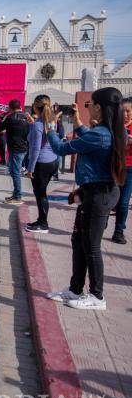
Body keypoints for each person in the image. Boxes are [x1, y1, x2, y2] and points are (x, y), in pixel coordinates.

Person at [45, 88, 126, 310]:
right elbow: (87, 139)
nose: (87, 108)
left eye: (89, 105)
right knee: (79, 241)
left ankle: (97, 297)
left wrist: (51, 126)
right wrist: (78, 123)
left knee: (91, 246)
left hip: (99, 195)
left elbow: (61, 148)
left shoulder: (99, 134)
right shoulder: (108, 132)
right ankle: (75, 289)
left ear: (99, 107)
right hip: (95, 192)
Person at [25, 95, 59, 233]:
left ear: (34, 106)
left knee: (40, 194)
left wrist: (30, 168)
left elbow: (36, 148)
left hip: (41, 163)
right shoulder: (50, 121)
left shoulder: (39, 125)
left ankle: (43, 224)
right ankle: (41, 221)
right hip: (52, 160)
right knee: (42, 193)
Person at [0, 99, 29, 204]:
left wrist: (1, 119)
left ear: (10, 108)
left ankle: (18, 196)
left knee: (15, 173)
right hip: (24, 147)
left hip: (15, 149)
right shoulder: (26, 117)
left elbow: (0, 128)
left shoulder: (10, 118)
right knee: (14, 171)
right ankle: (15, 194)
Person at [111, 97, 132, 244]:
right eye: (122, 111)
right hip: (114, 167)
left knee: (124, 202)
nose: (125, 114)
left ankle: (119, 231)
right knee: (109, 199)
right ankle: (102, 223)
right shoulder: (114, 126)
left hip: (130, 169)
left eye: (128, 111)